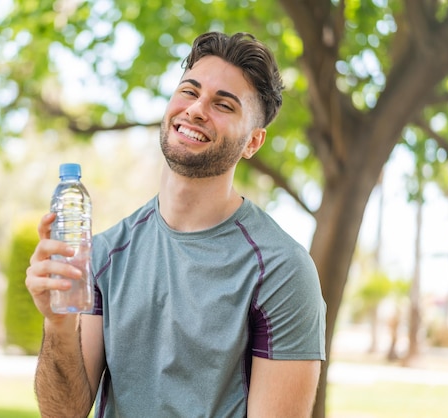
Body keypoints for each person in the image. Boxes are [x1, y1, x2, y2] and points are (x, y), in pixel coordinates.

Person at [26, 31, 326, 418]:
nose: (197, 109)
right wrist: (58, 326)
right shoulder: (103, 255)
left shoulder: (281, 270)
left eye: (224, 104)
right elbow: (64, 413)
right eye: (189, 91)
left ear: (253, 142)